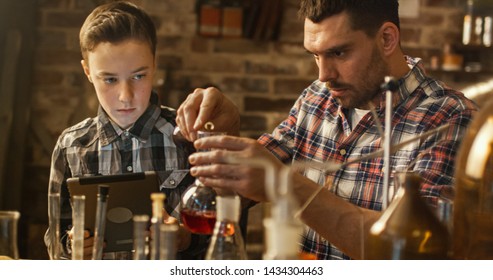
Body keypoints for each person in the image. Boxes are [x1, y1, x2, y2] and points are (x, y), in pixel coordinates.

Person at [176, 0, 478, 260]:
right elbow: (248, 183)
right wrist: (225, 137)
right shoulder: (317, 98)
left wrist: (287, 186)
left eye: (338, 53)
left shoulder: (450, 119)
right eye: (315, 55)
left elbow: (421, 256)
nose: (324, 74)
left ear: (387, 39)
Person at [44, 1, 206, 260]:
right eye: (109, 79)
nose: (125, 96)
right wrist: (70, 246)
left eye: (138, 76)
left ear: (154, 63)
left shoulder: (189, 135)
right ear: (87, 71)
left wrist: (185, 238)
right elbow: (55, 241)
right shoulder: (70, 145)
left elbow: (220, 237)